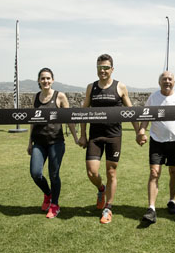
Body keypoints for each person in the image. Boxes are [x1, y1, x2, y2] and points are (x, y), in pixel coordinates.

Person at [78, 54, 139, 224]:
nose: (102, 70)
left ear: (112, 69)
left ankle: (108, 207)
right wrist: (83, 135)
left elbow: (131, 111)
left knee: (111, 172)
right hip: (95, 136)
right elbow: (83, 113)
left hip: (114, 136)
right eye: (99, 67)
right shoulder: (91, 87)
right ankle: (101, 189)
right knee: (92, 172)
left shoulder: (120, 87)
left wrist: (138, 132)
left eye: (106, 67)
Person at [137, 71, 175, 224]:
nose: (167, 81)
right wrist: (141, 131)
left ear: (174, 82)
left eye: (170, 79)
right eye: (164, 79)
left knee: (174, 171)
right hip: (157, 140)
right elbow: (146, 116)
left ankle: (172, 201)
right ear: (159, 82)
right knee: (154, 172)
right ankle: (151, 208)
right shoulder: (153, 97)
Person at [27, 68, 78, 219]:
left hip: (56, 142)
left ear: (53, 80)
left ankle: (54, 205)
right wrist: (30, 142)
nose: (45, 81)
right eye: (43, 78)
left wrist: (75, 137)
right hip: (39, 142)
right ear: (39, 81)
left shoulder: (60, 96)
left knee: (53, 174)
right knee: (35, 173)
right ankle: (48, 194)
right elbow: (32, 121)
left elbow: (69, 119)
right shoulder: (36, 97)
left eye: (48, 78)